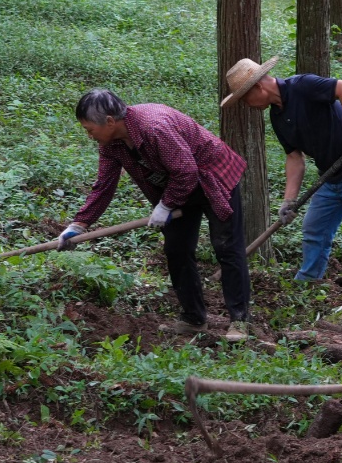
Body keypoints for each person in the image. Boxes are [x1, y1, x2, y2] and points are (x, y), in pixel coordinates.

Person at [59, 88, 252, 340]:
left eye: (89, 129)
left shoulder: (154, 128)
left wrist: (165, 205)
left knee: (226, 247)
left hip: (211, 176)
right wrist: (80, 223)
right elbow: (105, 184)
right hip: (176, 186)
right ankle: (194, 318)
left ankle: (239, 321)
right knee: (176, 250)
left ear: (109, 121)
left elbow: (186, 171)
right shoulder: (111, 143)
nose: (89, 135)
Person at [224, 56, 342, 312]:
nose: (247, 104)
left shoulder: (303, 85)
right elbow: (294, 158)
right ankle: (308, 285)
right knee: (313, 230)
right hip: (330, 177)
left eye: (245, 98)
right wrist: (289, 200)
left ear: (259, 88)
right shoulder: (277, 117)